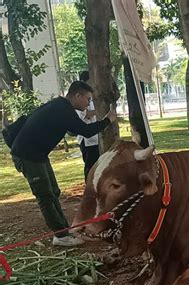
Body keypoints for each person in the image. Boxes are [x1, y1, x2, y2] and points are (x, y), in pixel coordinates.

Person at [10, 81, 117, 247]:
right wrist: (107, 120)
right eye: (87, 99)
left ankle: (63, 229)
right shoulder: (63, 109)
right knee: (45, 196)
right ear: (77, 95)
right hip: (27, 155)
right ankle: (60, 235)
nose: (88, 103)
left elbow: (72, 129)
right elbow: (85, 131)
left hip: (38, 154)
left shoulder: (60, 106)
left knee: (53, 191)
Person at [77, 71, 99, 180]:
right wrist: (99, 111)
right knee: (90, 166)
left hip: (96, 136)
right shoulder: (80, 97)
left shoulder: (92, 95)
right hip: (87, 139)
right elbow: (85, 114)